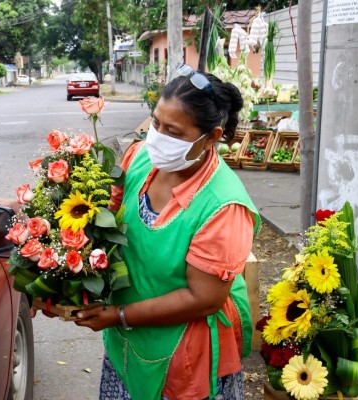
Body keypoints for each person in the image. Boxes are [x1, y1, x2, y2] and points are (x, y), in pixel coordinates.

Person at [72, 64, 260, 400]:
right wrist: (57, 273)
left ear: (212, 138)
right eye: (156, 122)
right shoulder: (140, 158)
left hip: (184, 353)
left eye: (173, 131)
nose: (157, 137)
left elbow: (203, 299)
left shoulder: (224, 207)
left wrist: (120, 315)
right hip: (126, 337)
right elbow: (105, 217)